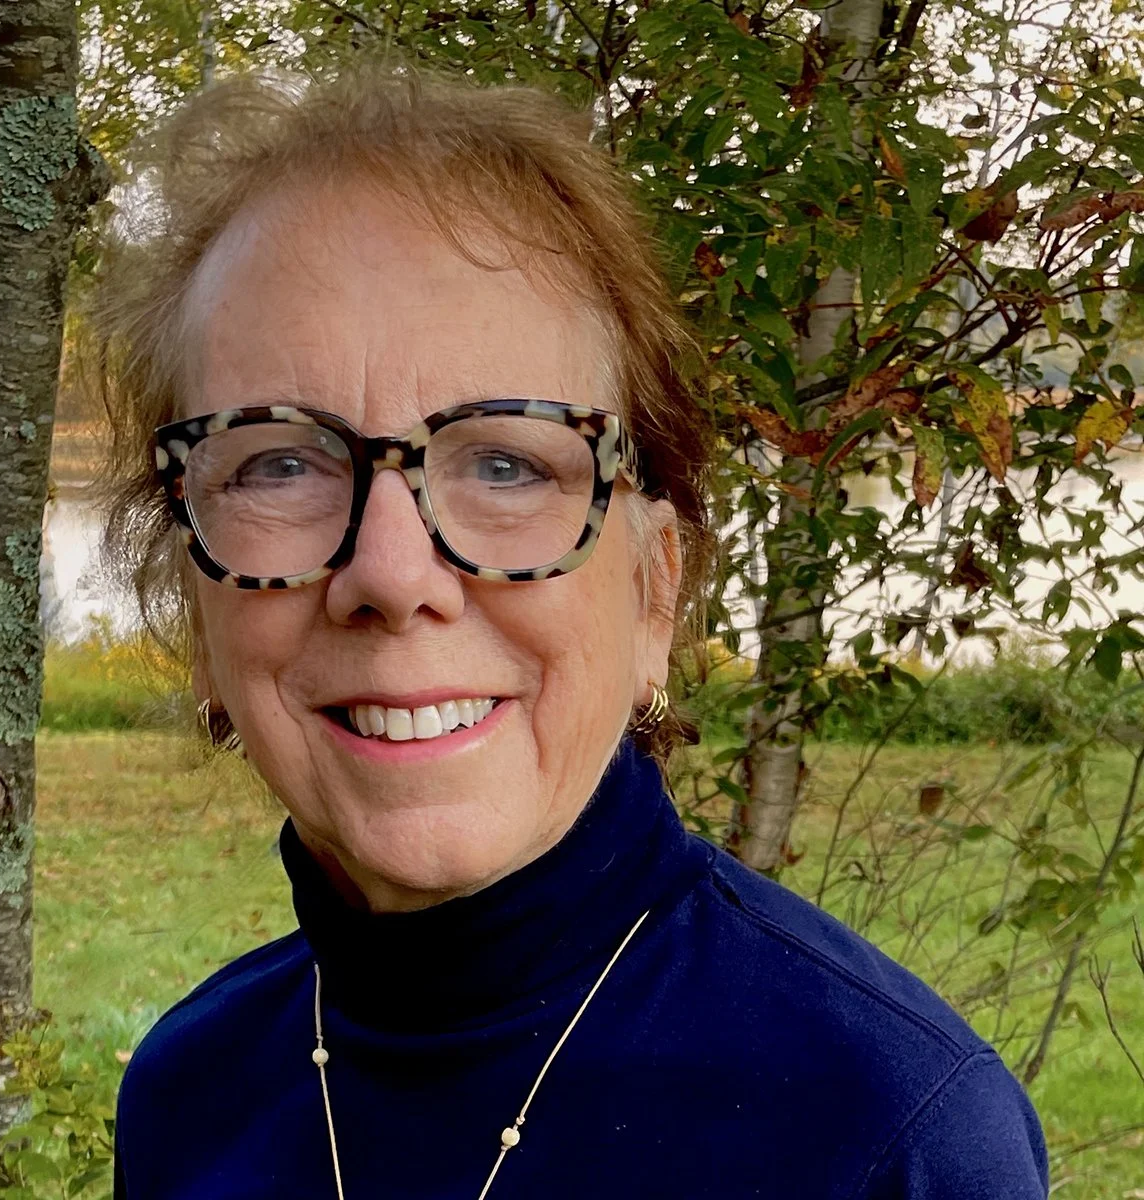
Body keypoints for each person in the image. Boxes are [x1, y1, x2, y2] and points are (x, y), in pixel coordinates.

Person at [96, 67, 1048, 1199]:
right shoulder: (189, 1094)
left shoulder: (890, 1133)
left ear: (654, 593)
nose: (392, 575)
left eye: (507, 462)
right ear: (194, 607)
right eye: (280, 466)